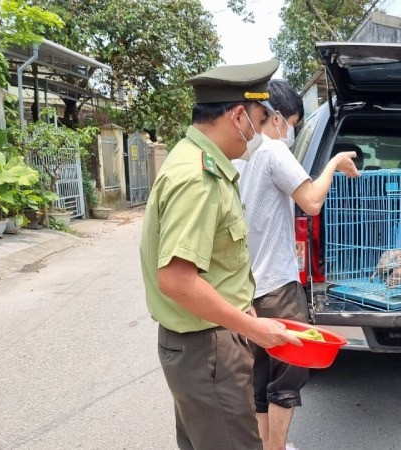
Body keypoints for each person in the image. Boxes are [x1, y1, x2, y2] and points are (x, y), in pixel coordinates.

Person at [139, 59, 301, 450]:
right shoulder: (199, 178)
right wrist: (255, 329)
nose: (263, 132)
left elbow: (212, 264)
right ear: (239, 115)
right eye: (262, 121)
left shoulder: (199, 162)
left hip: (203, 343)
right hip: (207, 349)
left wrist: (244, 312)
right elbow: (177, 279)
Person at [233, 79, 359, 450]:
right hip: (279, 287)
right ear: (275, 117)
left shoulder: (240, 155)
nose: (292, 131)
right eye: (293, 122)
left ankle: (266, 446)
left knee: (260, 375)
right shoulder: (274, 150)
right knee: (287, 377)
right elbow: (312, 202)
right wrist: (335, 162)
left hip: (248, 287)